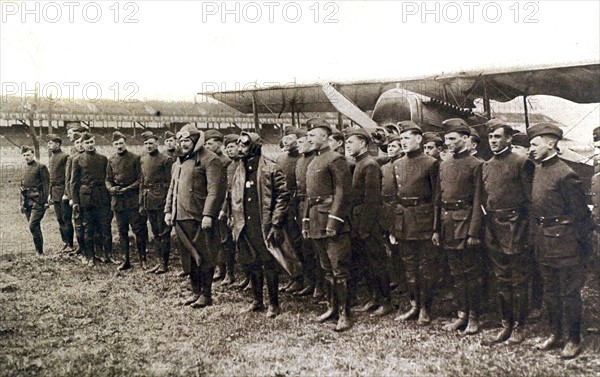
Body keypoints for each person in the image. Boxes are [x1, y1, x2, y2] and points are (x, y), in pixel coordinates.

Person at [527, 123, 594, 359]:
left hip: (565, 244)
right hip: (544, 241)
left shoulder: (566, 174)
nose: (531, 148)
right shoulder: (538, 169)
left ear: (551, 144)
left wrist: (578, 248)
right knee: (550, 291)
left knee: (569, 292)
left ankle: (574, 339)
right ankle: (555, 334)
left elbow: (581, 217)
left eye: (535, 144)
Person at [482, 120, 534, 344]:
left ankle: (520, 326)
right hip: (493, 228)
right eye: (491, 137)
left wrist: (528, 232)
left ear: (509, 138)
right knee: (501, 278)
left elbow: (531, 201)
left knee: (518, 279)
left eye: (498, 137)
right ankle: (506, 324)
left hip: (517, 227)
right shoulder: (486, 165)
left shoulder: (522, 163)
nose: (493, 141)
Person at [230, 131, 291, 318]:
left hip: (263, 223)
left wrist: (276, 222)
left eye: (245, 145)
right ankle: (257, 300)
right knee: (251, 262)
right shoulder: (239, 169)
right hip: (244, 223)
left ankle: (274, 304)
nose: (240, 149)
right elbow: (233, 195)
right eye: (239, 145)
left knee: (268, 262)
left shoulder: (270, 168)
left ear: (255, 146)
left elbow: (283, 195)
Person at [165, 124, 225, 309]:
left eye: (187, 140)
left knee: (204, 256)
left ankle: (206, 295)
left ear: (196, 140)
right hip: (180, 216)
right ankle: (195, 292)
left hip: (199, 216)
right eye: (181, 140)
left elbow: (215, 190)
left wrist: (208, 214)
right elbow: (172, 188)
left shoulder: (210, 159)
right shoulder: (178, 161)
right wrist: (168, 210)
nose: (183, 144)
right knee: (189, 257)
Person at [434, 118, 484, 335]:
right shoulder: (444, 164)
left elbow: (478, 201)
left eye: (453, 138)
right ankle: (461, 314)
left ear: (465, 139)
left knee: (471, 273)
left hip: (465, 225)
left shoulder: (477, 165)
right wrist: (436, 228)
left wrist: (474, 231)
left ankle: (474, 316)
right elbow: (438, 198)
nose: (449, 143)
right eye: (446, 139)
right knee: (456, 273)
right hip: (447, 225)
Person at [303, 118, 354, 331]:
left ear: (324, 136)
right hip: (316, 220)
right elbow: (310, 196)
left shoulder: (336, 159)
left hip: (332, 221)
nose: (309, 139)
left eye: (312, 135)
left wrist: (334, 221)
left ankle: (344, 314)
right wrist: (306, 222)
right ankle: (331, 308)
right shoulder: (313, 161)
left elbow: (342, 192)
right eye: (308, 136)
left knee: (339, 268)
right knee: (326, 269)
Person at [392, 121, 440, 325]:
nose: (403, 142)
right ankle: (414, 305)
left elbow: (437, 197)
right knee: (409, 267)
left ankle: (426, 309)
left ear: (419, 139)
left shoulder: (431, 163)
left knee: (425, 267)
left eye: (407, 138)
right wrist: (395, 226)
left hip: (424, 221)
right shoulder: (397, 164)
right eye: (401, 139)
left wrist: (436, 227)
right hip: (404, 221)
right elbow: (396, 197)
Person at [345, 127, 392, 317]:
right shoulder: (359, 163)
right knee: (367, 263)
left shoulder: (369, 165)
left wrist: (364, 228)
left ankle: (386, 301)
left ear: (363, 144)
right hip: (359, 221)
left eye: (350, 142)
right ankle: (374, 298)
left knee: (377, 262)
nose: (347, 145)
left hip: (368, 223)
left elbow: (372, 200)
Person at [106, 131, 148, 270]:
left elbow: (140, 179)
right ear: (113, 145)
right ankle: (126, 260)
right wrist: (111, 188)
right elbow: (108, 179)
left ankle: (143, 260)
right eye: (116, 144)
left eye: (121, 143)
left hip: (132, 199)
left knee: (138, 230)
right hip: (118, 201)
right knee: (122, 231)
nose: (119, 146)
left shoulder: (135, 158)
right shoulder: (111, 160)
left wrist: (128, 188)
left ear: (125, 143)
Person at [70, 133, 113, 266]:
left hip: (101, 196)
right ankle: (89, 256)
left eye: (91, 142)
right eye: (86, 143)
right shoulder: (77, 160)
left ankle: (106, 254)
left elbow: (107, 179)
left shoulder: (102, 158)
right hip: (85, 198)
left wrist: (109, 198)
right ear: (82, 144)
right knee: (88, 228)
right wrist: (75, 201)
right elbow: (74, 182)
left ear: (94, 142)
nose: (89, 145)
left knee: (105, 228)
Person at [276, 126, 305, 294]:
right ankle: (294, 276)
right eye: (285, 138)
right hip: (284, 203)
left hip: (297, 203)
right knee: (287, 241)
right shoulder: (280, 159)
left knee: (300, 242)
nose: (286, 141)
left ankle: (306, 278)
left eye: (290, 138)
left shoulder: (303, 158)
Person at [295, 128, 324, 298]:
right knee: (305, 247)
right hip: (301, 205)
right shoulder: (301, 161)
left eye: (301, 142)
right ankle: (310, 281)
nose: (299, 145)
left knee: (315, 248)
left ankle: (320, 285)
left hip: (312, 205)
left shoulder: (316, 160)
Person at [139, 131, 173, 274]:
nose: (148, 146)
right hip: (149, 200)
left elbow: (170, 183)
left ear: (157, 144)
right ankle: (159, 262)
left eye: (151, 143)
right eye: (146, 143)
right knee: (155, 233)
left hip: (161, 199)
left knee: (164, 233)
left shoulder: (165, 160)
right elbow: (142, 182)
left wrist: (168, 205)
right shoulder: (143, 159)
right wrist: (141, 202)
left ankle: (164, 264)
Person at [203, 129, 233, 283]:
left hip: (222, 205)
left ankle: (228, 271)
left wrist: (224, 209)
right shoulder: (206, 160)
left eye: (210, 143)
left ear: (220, 144)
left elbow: (226, 188)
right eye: (206, 143)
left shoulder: (226, 162)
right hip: (211, 204)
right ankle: (218, 267)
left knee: (225, 239)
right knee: (213, 238)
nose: (207, 146)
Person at [46, 134, 74, 253]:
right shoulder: (52, 157)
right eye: (48, 143)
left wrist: (66, 193)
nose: (49, 145)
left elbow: (68, 177)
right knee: (59, 219)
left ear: (57, 144)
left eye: (51, 143)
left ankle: (70, 244)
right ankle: (65, 242)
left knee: (66, 218)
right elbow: (51, 178)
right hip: (55, 192)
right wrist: (49, 194)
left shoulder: (65, 157)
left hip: (63, 192)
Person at [19, 145, 50, 255]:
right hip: (27, 202)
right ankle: (39, 251)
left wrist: (46, 200)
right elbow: (22, 187)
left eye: (28, 154)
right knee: (34, 227)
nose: (26, 157)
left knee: (32, 225)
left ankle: (39, 252)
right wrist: (21, 203)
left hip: (38, 200)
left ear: (33, 154)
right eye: (24, 155)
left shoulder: (41, 167)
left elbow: (47, 185)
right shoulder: (24, 168)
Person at [64, 130, 86, 255]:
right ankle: (81, 247)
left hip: (89, 195)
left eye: (82, 142)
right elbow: (68, 179)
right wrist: (71, 196)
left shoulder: (92, 156)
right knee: (78, 222)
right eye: (77, 143)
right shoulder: (72, 158)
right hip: (77, 195)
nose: (80, 145)